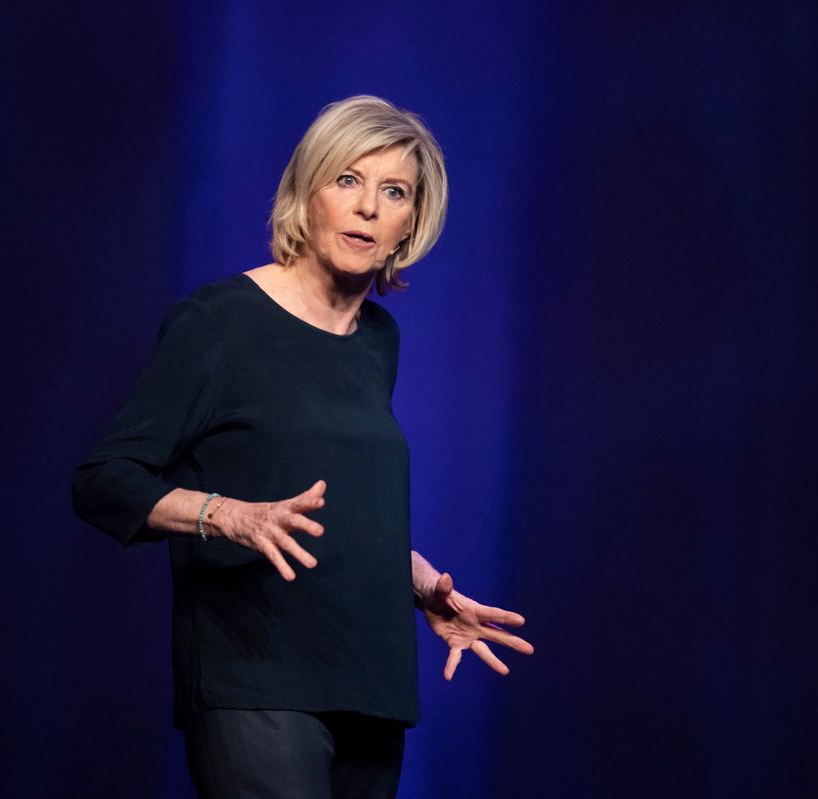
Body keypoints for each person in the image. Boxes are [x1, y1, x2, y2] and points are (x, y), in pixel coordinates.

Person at [70, 95, 533, 799]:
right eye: (347, 180)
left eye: (394, 191)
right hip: (253, 672)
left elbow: (330, 502)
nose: (369, 207)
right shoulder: (219, 321)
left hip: (369, 680)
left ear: (412, 221)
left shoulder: (379, 342)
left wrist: (416, 584)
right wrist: (227, 515)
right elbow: (103, 478)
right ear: (306, 192)